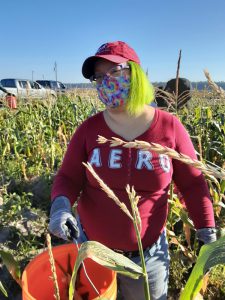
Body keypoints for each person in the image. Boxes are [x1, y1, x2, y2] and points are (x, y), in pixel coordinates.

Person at [49, 41, 216, 300]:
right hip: (93, 253)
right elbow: (68, 178)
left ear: (134, 75)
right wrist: (60, 207)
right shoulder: (88, 130)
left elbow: (192, 184)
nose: (106, 82)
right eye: (99, 77)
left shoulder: (170, 128)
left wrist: (207, 229)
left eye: (114, 72)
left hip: (147, 259)